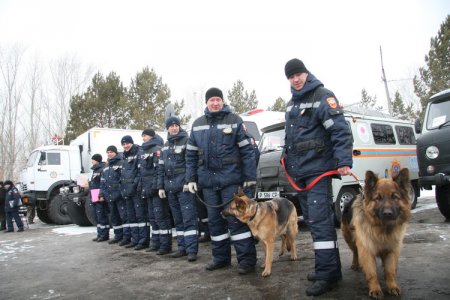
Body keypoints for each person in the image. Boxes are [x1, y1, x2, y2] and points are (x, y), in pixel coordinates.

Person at [283, 58, 353, 296]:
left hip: (318, 172)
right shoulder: (291, 104)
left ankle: (327, 276)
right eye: (291, 76)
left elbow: (340, 130)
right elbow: (290, 140)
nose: (296, 79)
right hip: (300, 173)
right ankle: (330, 269)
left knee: (322, 224)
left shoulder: (323, 95)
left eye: (299, 74)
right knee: (314, 223)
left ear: (306, 73)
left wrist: (343, 160)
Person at [186, 87, 257, 274]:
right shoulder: (198, 124)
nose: (215, 103)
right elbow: (191, 155)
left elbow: (247, 152)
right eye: (212, 100)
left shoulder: (234, 120)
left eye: (218, 99)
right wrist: (191, 178)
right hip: (208, 184)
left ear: (223, 101)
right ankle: (221, 259)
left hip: (231, 182)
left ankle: (247, 261)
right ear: (207, 103)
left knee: (236, 222)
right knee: (215, 222)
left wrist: (249, 177)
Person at [158, 116, 198, 262]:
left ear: (179, 127)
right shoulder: (165, 145)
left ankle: (192, 250)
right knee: (178, 219)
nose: (174, 128)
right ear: (167, 128)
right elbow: (161, 168)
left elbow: (190, 163)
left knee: (189, 219)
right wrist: (161, 186)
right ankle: (182, 248)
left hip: (184, 187)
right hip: (170, 188)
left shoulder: (186, 141)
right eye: (171, 126)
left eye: (176, 125)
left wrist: (189, 181)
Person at [139, 128, 172, 255]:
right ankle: (156, 243)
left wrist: (157, 186)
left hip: (155, 189)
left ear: (151, 136)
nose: (144, 138)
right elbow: (142, 172)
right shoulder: (144, 150)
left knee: (161, 217)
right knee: (153, 218)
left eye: (145, 135)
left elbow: (159, 170)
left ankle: (165, 245)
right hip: (147, 189)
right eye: (143, 136)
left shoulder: (157, 149)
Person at [120, 135, 147, 250]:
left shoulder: (138, 153)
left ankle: (143, 241)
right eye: (123, 144)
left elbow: (139, 173)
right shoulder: (124, 157)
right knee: (132, 217)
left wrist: (133, 186)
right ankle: (135, 240)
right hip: (127, 191)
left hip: (136, 191)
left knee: (140, 217)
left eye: (127, 143)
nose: (126, 146)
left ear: (132, 143)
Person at [99, 146, 130, 245]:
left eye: (111, 152)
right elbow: (103, 182)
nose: (109, 154)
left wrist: (121, 192)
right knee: (114, 217)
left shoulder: (121, 163)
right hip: (110, 196)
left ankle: (127, 237)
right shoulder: (106, 166)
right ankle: (118, 236)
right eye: (108, 152)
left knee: (124, 216)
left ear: (116, 153)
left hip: (119, 196)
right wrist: (102, 194)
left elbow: (124, 179)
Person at [90, 154, 109, 242]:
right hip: (94, 193)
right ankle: (99, 234)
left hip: (99, 193)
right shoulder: (95, 170)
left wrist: (101, 195)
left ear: (96, 160)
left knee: (101, 214)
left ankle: (104, 235)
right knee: (97, 215)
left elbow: (102, 183)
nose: (91, 161)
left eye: (93, 160)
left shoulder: (101, 169)